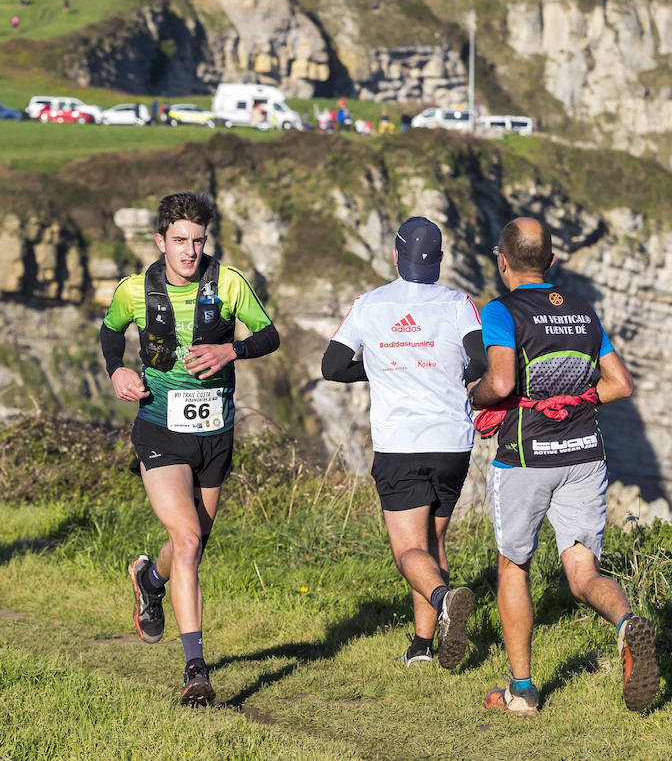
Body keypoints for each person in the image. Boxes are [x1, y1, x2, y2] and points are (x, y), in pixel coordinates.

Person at [468, 217, 658, 716]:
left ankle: (523, 690)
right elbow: (620, 384)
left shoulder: (501, 310)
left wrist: (476, 393)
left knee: (514, 564)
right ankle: (625, 625)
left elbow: (504, 382)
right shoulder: (582, 311)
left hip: (527, 457)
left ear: (502, 261)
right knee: (581, 570)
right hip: (584, 456)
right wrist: (577, 397)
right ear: (551, 262)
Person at [101, 192, 280, 706]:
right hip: (158, 429)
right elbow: (110, 333)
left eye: (198, 241)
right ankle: (195, 669)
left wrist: (233, 348)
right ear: (160, 241)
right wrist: (117, 369)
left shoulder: (227, 283)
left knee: (195, 539)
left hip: (215, 434)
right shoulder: (134, 291)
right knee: (186, 538)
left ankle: (149, 579)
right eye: (180, 241)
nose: (190, 251)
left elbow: (269, 335)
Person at [322, 217, 486, 668]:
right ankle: (422, 646)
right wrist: (444, 373)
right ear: (440, 262)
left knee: (408, 551)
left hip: (401, 443)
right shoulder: (459, 303)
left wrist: (377, 368)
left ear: (396, 257)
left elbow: (333, 365)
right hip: (452, 440)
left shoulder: (370, 305)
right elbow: (480, 360)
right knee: (433, 543)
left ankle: (445, 599)